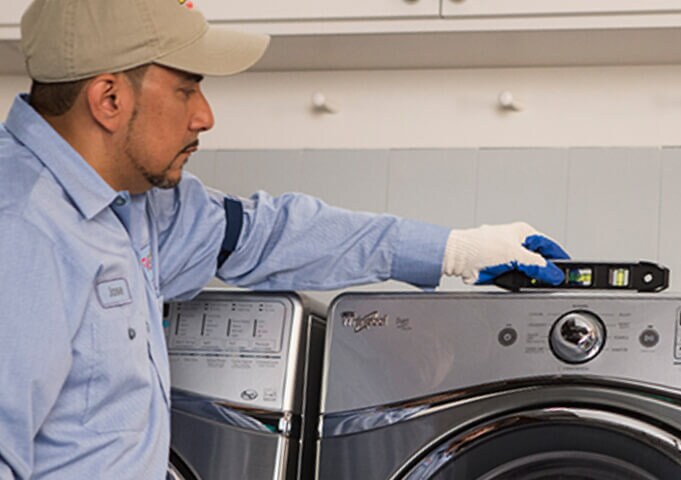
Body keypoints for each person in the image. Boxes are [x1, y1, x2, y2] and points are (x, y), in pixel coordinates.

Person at [0, 0, 569, 478]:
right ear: (109, 99)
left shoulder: (140, 208)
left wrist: (455, 250)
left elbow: (270, 232)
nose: (205, 116)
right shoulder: (21, 231)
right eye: (187, 89)